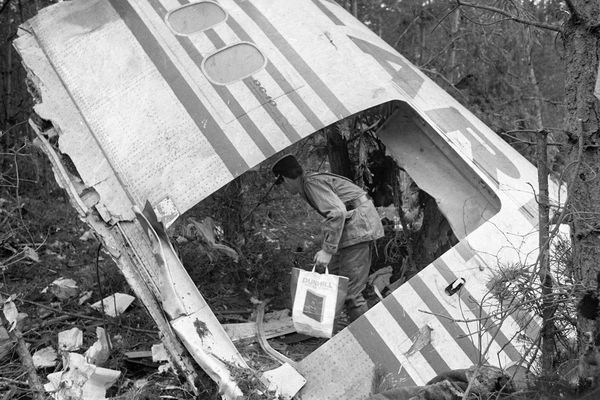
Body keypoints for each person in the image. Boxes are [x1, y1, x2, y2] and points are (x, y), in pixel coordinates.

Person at [272, 154, 384, 322]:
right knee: (334, 280)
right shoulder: (309, 182)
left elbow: (337, 212)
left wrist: (327, 250)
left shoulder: (311, 183)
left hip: (357, 227)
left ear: (286, 179)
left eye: (280, 183)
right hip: (354, 225)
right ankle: (330, 326)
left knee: (350, 292)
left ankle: (367, 336)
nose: (283, 188)